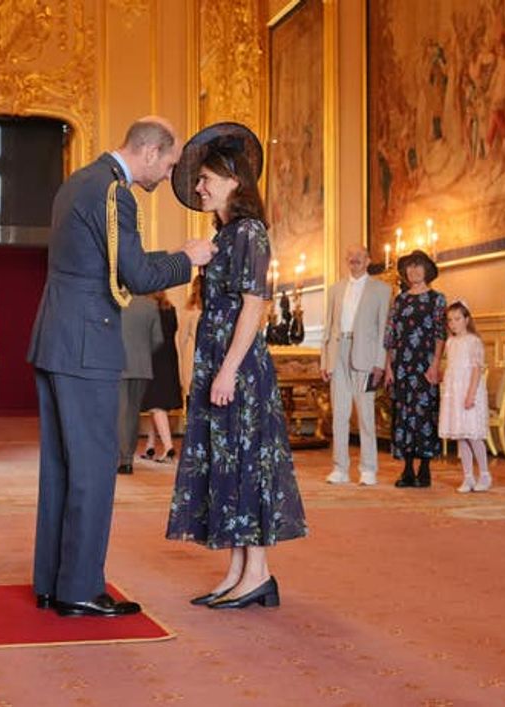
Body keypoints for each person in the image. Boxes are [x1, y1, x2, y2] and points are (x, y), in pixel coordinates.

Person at [26, 116, 215, 618]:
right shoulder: (116, 194)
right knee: (92, 468)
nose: (169, 176)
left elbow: (99, 264)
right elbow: (134, 272)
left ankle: (52, 582)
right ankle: (81, 590)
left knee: (61, 469)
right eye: (170, 163)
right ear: (149, 153)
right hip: (88, 344)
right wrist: (187, 257)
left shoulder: (77, 182)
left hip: (57, 339)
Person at [166, 122, 307, 610]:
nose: (199, 187)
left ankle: (260, 573)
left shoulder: (249, 232)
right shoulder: (225, 235)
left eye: (206, 178)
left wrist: (227, 370)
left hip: (239, 366)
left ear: (233, 181)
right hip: (219, 360)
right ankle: (237, 570)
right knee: (225, 463)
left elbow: (254, 305)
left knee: (247, 464)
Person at [320, 246, 392, 486]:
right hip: (338, 353)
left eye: (359, 256)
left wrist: (380, 363)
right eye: (350, 257)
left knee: (366, 415)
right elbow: (328, 327)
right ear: (346, 260)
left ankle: (368, 469)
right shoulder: (335, 289)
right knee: (339, 415)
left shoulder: (382, 290)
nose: (355, 260)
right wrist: (325, 360)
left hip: (366, 357)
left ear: (368, 260)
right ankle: (340, 468)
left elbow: (383, 330)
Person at [384, 249, 447, 488]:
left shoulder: (437, 299)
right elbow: (391, 335)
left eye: (418, 266)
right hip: (402, 365)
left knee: (425, 414)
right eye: (409, 266)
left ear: (427, 270)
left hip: (425, 364)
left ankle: (425, 469)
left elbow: (440, 334)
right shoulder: (400, 299)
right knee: (403, 415)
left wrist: (435, 364)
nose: (413, 270)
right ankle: (407, 469)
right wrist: (389, 367)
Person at [439, 300, 491, 492]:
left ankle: (484, 474)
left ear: (467, 320)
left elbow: (477, 370)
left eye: (457, 319)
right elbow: (451, 368)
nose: (453, 323)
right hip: (454, 393)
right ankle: (468, 476)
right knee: (461, 435)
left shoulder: (473, 341)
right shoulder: (450, 342)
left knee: (473, 435)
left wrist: (470, 395)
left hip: (469, 391)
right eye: (450, 320)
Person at [117, 295, 163, 475]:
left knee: (120, 412)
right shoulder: (150, 305)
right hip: (142, 366)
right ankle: (127, 458)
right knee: (133, 413)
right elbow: (158, 339)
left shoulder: (115, 301)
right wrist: (143, 352)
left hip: (116, 363)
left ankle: (122, 458)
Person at [140, 291, 183, 463]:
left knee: (156, 405)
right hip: (169, 359)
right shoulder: (170, 308)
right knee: (156, 405)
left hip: (153, 359)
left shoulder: (148, 309)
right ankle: (150, 446)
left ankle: (168, 447)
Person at [178, 274, 203, 401]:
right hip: (196, 356)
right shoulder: (192, 311)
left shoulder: (189, 311)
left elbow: (182, 340)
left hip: (192, 355)